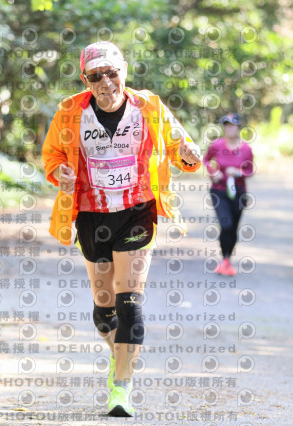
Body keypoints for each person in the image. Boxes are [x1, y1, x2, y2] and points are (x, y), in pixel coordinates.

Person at [41, 41, 202, 417]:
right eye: (95, 76)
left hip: (137, 212)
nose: (105, 82)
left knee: (130, 301)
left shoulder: (149, 106)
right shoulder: (70, 112)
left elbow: (181, 147)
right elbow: (53, 156)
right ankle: (122, 357)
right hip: (91, 215)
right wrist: (59, 172)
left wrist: (188, 156)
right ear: (85, 80)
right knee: (105, 310)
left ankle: (121, 387)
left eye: (111, 73)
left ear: (124, 71)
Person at [203, 113, 254, 276]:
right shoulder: (216, 145)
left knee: (233, 227)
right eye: (226, 125)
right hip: (219, 191)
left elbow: (250, 170)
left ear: (238, 127)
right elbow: (205, 160)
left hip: (238, 193)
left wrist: (238, 172)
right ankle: (224, 260)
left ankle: (227, 259)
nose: (229, 128)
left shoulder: (246, 149)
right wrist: (213, 172)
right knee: (225, 224)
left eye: (232, 125)